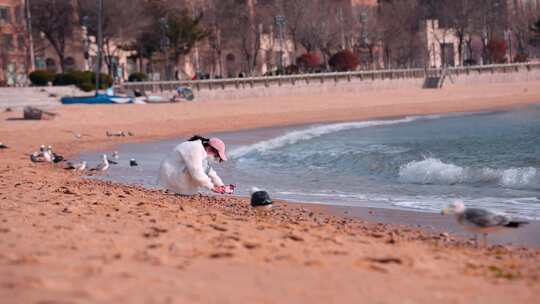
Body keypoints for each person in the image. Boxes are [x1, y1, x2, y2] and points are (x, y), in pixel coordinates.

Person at [158, 135, 234, 195]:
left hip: (174, 173)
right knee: (200, 168)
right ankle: (177, 189)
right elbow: (196, 172)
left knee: (204, 166)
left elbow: (210, 171)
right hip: (170, 176)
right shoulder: (195, 149)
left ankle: (181, 190)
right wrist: (212, 187)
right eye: (215, 155)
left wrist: (220, 185)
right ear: (211, 148)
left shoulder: (200, 148)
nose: (214, 157)